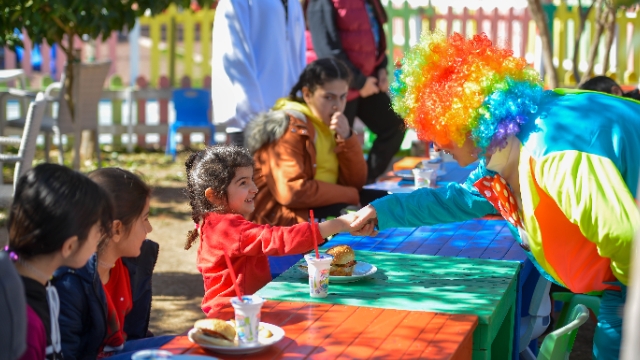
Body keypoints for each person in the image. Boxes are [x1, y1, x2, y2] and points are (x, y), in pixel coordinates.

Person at [349, 32, 640, 360]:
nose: (432, 143)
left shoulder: (553, 152)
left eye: (433, 130)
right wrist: (383, 210)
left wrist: (624, 313)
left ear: (462, 117)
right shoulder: (511, 142)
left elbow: (629, 244)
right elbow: (458, 198)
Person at [184, 145, 357, 316]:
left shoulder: (213, 221)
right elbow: (279, 239)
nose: (255, 188)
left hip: (243, 310)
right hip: (236, 316)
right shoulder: (227, 228)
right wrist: (339, 224)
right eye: (243, 182)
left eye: (252, 179)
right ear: (214, 196)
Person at [245, 58, 381, 226]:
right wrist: (350, 194)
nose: (337, 106)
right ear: (307, 94)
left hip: (317, 206)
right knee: (355, 215)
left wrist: (347, 138)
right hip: (279, 219)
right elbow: (291, 191)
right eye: (329, 97)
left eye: (342, 97)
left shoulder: (329, 123)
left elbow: (356, 182)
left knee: (383, 203)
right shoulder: (291, 127)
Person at [53, 168, 171, 360]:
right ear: (116, 229)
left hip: (123, 351)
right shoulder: (69, 284)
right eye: (144, 219)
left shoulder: (129, 266)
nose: (149, 229)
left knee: (189, 345)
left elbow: (131, 336)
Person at [5, 163, 113, 360]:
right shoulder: (24, 324)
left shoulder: (23, 278)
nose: (103, 235)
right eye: (98, 229)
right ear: (69, 246)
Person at [306, 0, 406, 184]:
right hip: (337, 88)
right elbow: (327, 49)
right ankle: (339, 200)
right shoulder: (322, 2)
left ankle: (363, 182)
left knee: (394, 125)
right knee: (337, 150)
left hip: (366, 84)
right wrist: (359, 82)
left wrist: (381, 69)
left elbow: (375, 38)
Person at [211, 0, 306, 146]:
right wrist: (254, 115)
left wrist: (298, 102)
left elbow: (297, 55)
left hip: (288, 115)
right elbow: (235, 56)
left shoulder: (293, 2)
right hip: (252, 119)